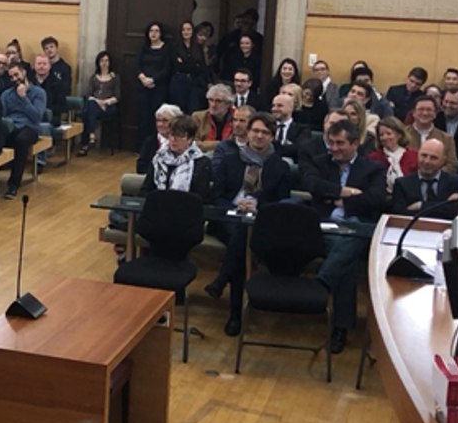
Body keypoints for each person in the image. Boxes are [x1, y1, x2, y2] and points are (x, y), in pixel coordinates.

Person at [301, 119, 388, 354]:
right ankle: (340, 325)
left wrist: (339, 201)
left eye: (340, 143)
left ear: (355, 143)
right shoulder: (321, 163)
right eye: (331, 142)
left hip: (355, 229)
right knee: (345, 260)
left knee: (349, 246)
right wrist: (344, 192)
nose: (334, 148)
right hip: (323, 227)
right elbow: (311, 184)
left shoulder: (373, 168)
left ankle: (324, 283)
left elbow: (377, 199)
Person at [204, 111, 292, 335]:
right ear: (247, 132)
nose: (259, 136)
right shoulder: (230, 160)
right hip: (228, 217)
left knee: (242, 239)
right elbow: (216, 195)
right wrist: (235, 207)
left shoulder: (279, 166)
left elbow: (281, 200)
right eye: (255, 131)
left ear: (272, 136)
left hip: (261, 221)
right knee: (241, 238)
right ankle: (235, 313)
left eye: (265, 132)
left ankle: (225, 287)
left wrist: (257, 205)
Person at [0, 62, 46, 199]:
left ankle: (13, 185)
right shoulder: (6, 95)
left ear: (24, 73)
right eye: (11, 77)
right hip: (11, 127)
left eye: (16, 75)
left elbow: (37, 116)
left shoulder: (39, 93)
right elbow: (3, 115)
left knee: (21, 141)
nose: (14, 79)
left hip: (30, 128)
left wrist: (24, 98)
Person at [392, 138, 458, 216]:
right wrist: (445, 205)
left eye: (433, 158)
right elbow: (400, 214)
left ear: (443, 161)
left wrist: (421, 205)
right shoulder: (402, 184)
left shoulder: (457, 182)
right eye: (424, 155)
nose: (427, 161)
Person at [140, 115, 210, 198]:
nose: (174, 139)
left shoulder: (202, 162)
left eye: (179, 136)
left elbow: (200, 196)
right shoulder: (159, 157)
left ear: (190, 139)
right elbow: (146, 190)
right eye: (171, 135)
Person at [136, 22, 172, 144]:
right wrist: (143, 78)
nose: (153, 33)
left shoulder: (166, 49)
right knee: (143, 117)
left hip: (159, 87)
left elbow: (167, 69)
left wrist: (153, 80)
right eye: (151, 31)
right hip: (143, 87)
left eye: (156, 31)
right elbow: (137, 65)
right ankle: (142, 146)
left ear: (161, 34)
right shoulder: (144, 48)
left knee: (157, 117)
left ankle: (157, 145)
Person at [79, 51, 120, 156]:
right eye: (102, 60)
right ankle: (91, 135)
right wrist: (98, 102)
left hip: (109, 107)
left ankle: (86, 142)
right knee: (90, 107)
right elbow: (88, 94)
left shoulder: (115, 78)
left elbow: (117, 96)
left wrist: (105, 102)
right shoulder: (94, 78)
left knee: (86, 113)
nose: (104, 63)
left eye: (106, 61)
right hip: (95, 105)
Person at [404, 95, 456, 173]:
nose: (425, 113)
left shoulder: (446, 139)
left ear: (435, 114)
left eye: (429, 110)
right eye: (421, 109)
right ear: (413, 113)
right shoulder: (401, 134)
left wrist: (432, 175)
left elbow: (451, 165)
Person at [368, 116, 417, 193]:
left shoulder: (413, 156)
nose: (385, 137)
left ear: (399, 134)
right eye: (381, 135)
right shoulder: (373, 158)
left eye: (389, 133)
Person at [137, 104, 183, 175]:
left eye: (165, 121)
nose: (160, 124)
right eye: (158, 120)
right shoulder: (149, 141)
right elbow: (141, 167)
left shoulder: (183, 142)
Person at [170, 20, 204, 113]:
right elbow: (177, 66)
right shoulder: (175, 47)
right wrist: (193, 64)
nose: (186, 32)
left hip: (194, 82)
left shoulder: (198, 47)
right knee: (180, 110)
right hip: (179, 82)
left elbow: (201, 67)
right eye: (183, 29)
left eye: (189, 29)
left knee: (193, 110)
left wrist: (185, 62)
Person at [191, 83, 234, 151]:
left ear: (228, 104)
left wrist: (205, 144)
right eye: (211, 100)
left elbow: (234, 144)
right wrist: (221, 144)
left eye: (218, 101)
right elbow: (193, 143)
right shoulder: (198, 117)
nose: (213, 105)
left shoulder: (237, 118)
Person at [28, 53, 67, 127]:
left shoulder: (58, 84)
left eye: (44, 64)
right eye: (39, 64)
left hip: (50, 117)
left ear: (50, 66)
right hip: (30, 115)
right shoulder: (28, 82)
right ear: (34, 66)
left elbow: (61, 106)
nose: (41, 66)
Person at [270, 92, 309, 162]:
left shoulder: (302, 130)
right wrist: (288, 146)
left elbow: (300, 149)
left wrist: (275, 147)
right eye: (273, 105)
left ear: (291, 108)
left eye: (280, 106)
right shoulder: (267, 126)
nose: (274, 109)